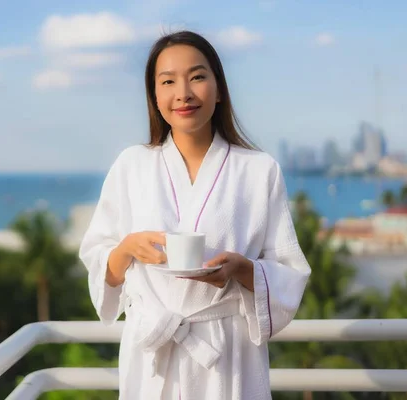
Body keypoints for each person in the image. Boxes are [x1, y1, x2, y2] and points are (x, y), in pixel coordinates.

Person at [78, 30, 311, 400]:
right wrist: (127, 248)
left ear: (219, 89)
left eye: (197, 77)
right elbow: (100, 265)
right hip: (153, 352)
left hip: (228, 355)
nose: (183, 93)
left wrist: (241, 269)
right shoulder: (131, 166)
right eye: (168, 81)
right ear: (154, 97)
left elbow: (289, 271)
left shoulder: (259, 170)